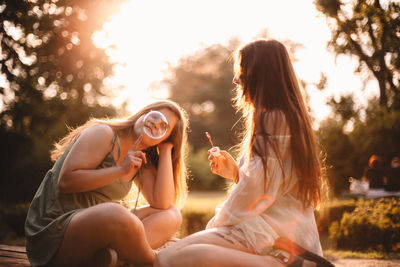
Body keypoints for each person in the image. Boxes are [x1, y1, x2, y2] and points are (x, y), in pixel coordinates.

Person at [155, 39, 327, 267]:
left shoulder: (273, 119)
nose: (236, 80)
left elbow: (254, 190)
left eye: (242, 74)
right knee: (174, 251)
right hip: (279, 234)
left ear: (260, 77)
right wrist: (237, 173)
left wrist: (217, 222)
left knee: (171, 257)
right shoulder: (288, 118)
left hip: (277, 239)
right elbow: (269, 185)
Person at [24, 100, 189, 266]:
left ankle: (112, 259)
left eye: (163, 126)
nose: (155, 123)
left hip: (95, 235)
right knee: (115, 213)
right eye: (155, 115)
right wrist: (120, 170)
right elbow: (66, 182)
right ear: (143, 112)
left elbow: (161, 203)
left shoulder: (141, 156)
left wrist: (167, 149)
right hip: (56, 231)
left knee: (172, 214)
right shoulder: (104, 133)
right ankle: (156, 261)